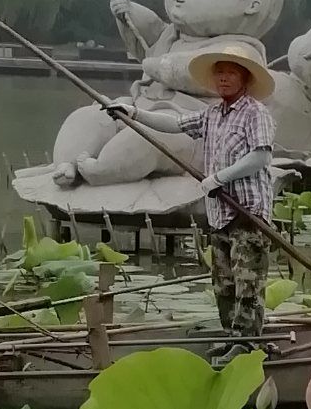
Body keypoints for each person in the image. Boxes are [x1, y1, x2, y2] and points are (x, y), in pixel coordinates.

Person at [114, 38, 277, 345]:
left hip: (248, 214)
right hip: (220, 216)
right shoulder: (212, 114)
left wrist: (220, 178)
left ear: (245, 78)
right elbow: (175, 124)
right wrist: (133, 113)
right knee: (224, 285)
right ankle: (231, 340)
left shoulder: (256, 113)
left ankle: (247, 346)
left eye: (231, 73)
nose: (224, 78)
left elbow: (261, 156)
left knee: (248, 285)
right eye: (220, 73)